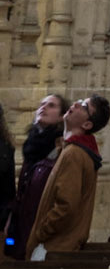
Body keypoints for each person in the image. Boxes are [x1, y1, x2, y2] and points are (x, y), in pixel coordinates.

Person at [27, 93, 109, 257]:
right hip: (55, 246)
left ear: (87, 124)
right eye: (79, 101)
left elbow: (66, 206)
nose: (76, 105)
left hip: (53, 248)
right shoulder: (70, 149)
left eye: (84, 107)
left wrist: (40, 233)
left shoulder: (74, 154)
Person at [6, 94, 65, 259]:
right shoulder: (32, 144)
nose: (43, 108)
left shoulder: (59, 147)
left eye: (51, 105)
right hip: (23, 220)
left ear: (61, 117)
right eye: (42, 104)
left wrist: (44, 228)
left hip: (42, 225)